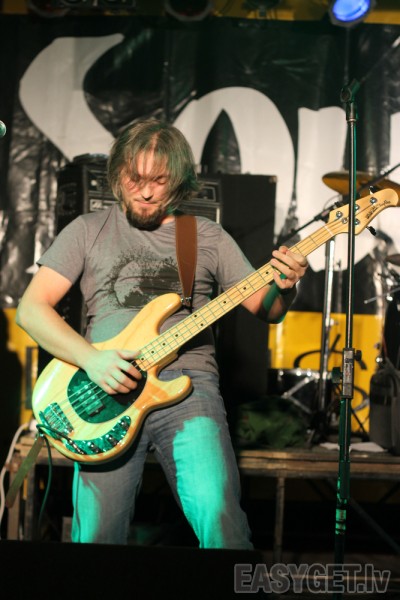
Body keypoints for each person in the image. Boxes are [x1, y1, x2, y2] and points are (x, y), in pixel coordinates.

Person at [16, 118, 308, 549]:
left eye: (159, 181)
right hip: (105, 389)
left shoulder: (206, 236)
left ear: (179, 181)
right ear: (117, 173)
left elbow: (267, 309)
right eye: (134, 179)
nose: (146, 192)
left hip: (188, 389)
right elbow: (31, 309)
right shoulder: (86, 230)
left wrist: (285, 287)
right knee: (95, 538)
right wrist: (91, 359)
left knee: (220, 519)